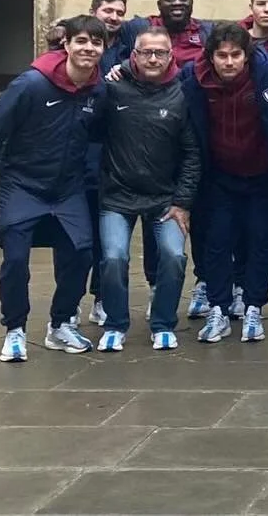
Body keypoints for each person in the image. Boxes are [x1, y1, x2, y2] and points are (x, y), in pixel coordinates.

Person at [0, 17, 108, 362]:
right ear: (66, 44)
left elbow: (103, 132)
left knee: (81, 253)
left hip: (68, 187)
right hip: (22, 183)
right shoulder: (31, 84)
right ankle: (14, 329)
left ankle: (60, 324)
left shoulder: (99, 89)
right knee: (16, 259)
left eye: (96, 42)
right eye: (81, 41)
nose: (88, 48)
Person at [92, 24, 201, 352]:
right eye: (146, 52)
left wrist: (182, 202)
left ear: (171, 55)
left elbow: (192, 154)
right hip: (117, 195)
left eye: (161, 52)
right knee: (113, 257)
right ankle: (115, 323)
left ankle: (164, 322)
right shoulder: (112, 89)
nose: (153, 58)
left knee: (173, 255)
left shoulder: (183, 94)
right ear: (133, 55)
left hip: (165, 198)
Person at [179, 22, 268, 346]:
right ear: (210, 57)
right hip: (219, 176)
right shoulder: (193, 80)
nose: (228, 62)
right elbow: (151, 68)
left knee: (260, 243)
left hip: (262, 174)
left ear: (246, 55)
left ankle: (253, 306)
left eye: (235, 55)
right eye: (221, 56)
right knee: (216, 243)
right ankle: (219, 308)